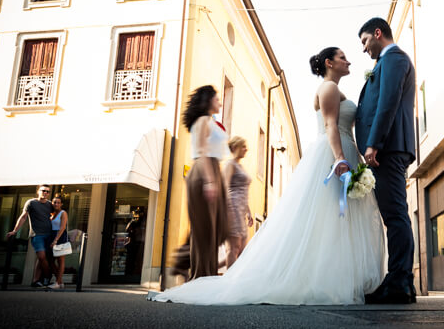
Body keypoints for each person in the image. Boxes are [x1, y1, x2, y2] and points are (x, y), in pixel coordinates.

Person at [148, 47, 384, 304]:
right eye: (342, 57)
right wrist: (339, 158)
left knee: (338, 220)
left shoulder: (336, 90)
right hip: (332, 155)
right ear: (329, 63)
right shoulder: (327, 88)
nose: (348, 60)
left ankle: (340, 276)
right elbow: (329, 125)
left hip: (344, 151)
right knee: (330, 217)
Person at [355, 17, 417, 304]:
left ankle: (400, 281)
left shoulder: (394, 59)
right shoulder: (386, 62)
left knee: (395, 214)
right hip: (388, 148)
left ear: (378, 33)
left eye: (366, 40)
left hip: (388, 148)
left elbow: (388, 102)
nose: (365, 48)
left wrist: (373, 144)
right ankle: (400, 280)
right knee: (393, 213)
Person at [172, 85, 230, 281]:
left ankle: (191, 266)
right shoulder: (203, 121)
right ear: (208, 101)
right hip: (205, 173)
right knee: (206, 231)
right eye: (217, 99)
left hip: (214, 171)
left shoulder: (210, 122)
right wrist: (209, 182)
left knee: (218, 229)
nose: (220, 102)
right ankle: (201, 277)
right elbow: (203, 152)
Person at [7, 184, 54, 288]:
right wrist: (15, 231)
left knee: (41, 258)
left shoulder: (50, 205)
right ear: (38, 191)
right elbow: (23, 217)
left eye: (47, 191)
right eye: (43, 190)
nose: (45, 193)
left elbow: (54, 217)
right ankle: (47, 276)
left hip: (49, 235)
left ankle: (36, 280)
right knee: (41, 257)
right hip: (36, 235)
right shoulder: (31, 203)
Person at [223, 136, 253, 267]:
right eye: (243, 146)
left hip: (241, 210)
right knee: (234, 248)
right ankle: (229, 283)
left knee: (242, 250)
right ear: (235, 148)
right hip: (232, 208)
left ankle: (230, 277)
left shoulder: (240, 166)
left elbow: (243, 191)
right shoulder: (230, 164)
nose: (246, 149)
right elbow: (224, 186)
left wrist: (249, 212)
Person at [48, 193, 68, 289]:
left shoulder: (63, 213)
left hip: (60, 237)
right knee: (50, 260)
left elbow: (63, 227)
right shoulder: (51, 215)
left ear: (61, 204)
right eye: (54, 202)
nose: (56, 204)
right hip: (51, 236)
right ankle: (60, 281)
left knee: (60, 260)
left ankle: (57, 282)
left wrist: (56, 240)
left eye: (58, 203)